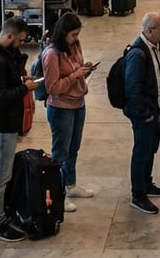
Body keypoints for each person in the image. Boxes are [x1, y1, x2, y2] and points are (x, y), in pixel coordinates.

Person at [0, 18, 39, 243]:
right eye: (21, 40)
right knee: (1, 173)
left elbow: (4, 84)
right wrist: (25, 88)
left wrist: (21, 79)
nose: (22, 44)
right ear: (10, 35)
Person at [42, 12, 96, 213]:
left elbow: (75, 67)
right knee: (60, 152)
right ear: (63, 33)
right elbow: (53, 88)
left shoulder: (75, 45)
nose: (76, 39)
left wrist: (85, 69)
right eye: (73, 35)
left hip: (78, 104)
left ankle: (70, 184)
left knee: (73, 148)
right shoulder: (51, 54)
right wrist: (75, 75)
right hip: (60, 108)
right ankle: (58, 193)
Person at [122, 12, 160, 214]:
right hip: (145, 114)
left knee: (151, 149)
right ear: (149, 31)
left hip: (156, 110)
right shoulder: (137, 54)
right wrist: (146, 114)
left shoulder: (156, 46)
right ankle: (138, 195)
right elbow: (132, 90)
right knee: (141, 152)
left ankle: (146, 183)